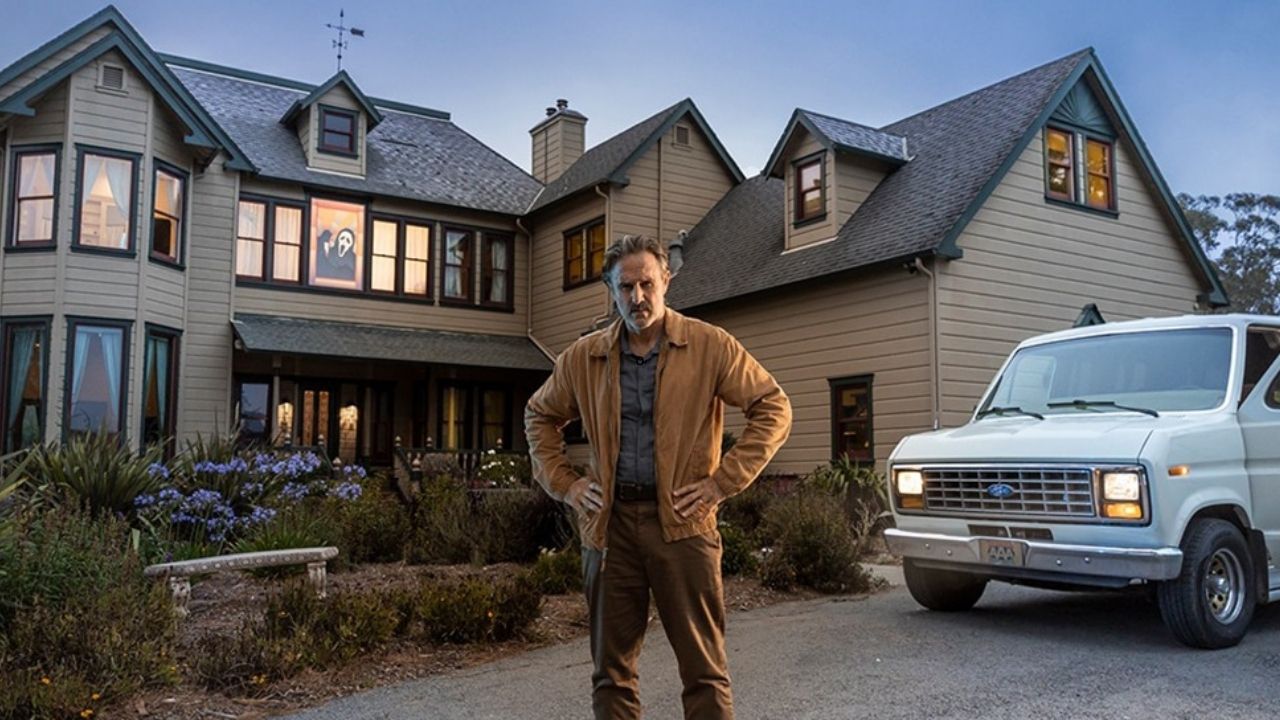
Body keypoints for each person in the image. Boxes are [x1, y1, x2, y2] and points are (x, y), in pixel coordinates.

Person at [525, 234, 792, 719]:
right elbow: (539, 415)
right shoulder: (584, 358)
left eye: (647, 283)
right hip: (610, 529)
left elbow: (773, 407)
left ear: (666, 280)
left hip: (685, 528)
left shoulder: (709, 346)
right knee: (612, 674)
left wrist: (720, 483)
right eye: (625, 287)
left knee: (704, 671)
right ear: (611, 290)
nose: (637, 298)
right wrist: (566, 483)